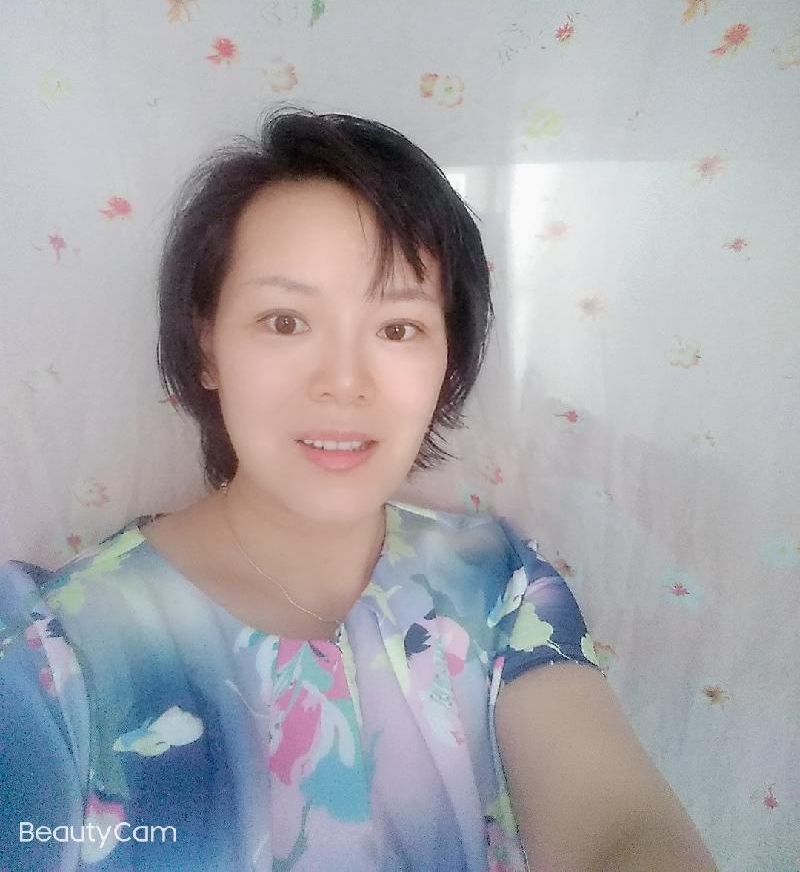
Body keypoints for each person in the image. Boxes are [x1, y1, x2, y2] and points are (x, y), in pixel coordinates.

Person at [0, 106, 716, 871]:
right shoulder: (51, 649)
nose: (344, 382)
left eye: (399, 328)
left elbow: (619, 828)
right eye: (284, 321)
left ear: (448, 357)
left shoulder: (497, 584)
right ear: (207, 346)